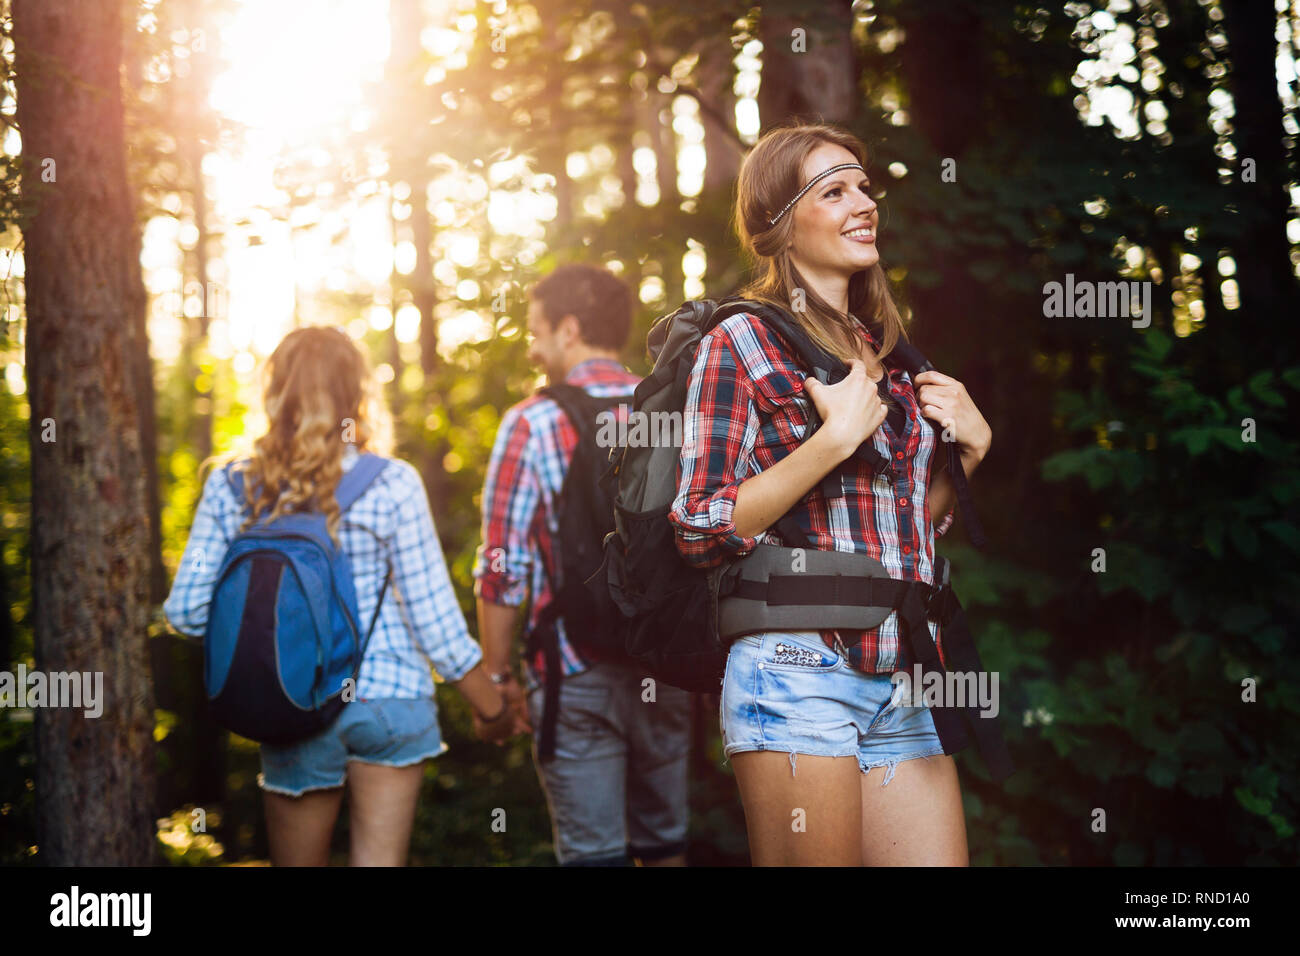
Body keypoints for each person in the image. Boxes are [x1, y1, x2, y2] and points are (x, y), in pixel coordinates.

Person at [670, 122, 991, 866]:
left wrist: (972, 454)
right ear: (778, 226)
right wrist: (831, 442)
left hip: (907, 671)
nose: (864, 202)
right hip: (797, 671)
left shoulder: (894, 358)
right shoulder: (740, 342)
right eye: (834, 190)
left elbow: (906, 537)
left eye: (865, 186)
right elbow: (696, 526)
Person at [164, 326, 511, 866]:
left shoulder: (232, 487)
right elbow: (436, 625)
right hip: (388, 700)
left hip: (293, 700)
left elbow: (185, 613)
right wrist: (492, 706)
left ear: (275, 393)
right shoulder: (392, 483)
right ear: (358, 395)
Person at [474, 264, 693, 866]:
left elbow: (501, 567)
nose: (532, 345)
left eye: (536, 330)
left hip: (572, 670)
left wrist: (496, 678)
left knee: (594, 856)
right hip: (666, 666)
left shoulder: (533, 422)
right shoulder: (673, 413)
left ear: (568, 329)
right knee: (666, 845)